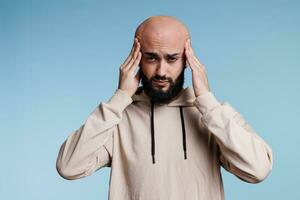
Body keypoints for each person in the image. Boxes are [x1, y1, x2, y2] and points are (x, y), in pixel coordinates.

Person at [56, 15, 273, 200]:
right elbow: (69, 166)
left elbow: (257, 170)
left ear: (187, 60)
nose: (161, 71)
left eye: (172, 59)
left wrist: (207, 100)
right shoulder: (118, 118)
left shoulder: (213, 116)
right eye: (151, 58)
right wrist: (119, 98)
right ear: (137, 59)